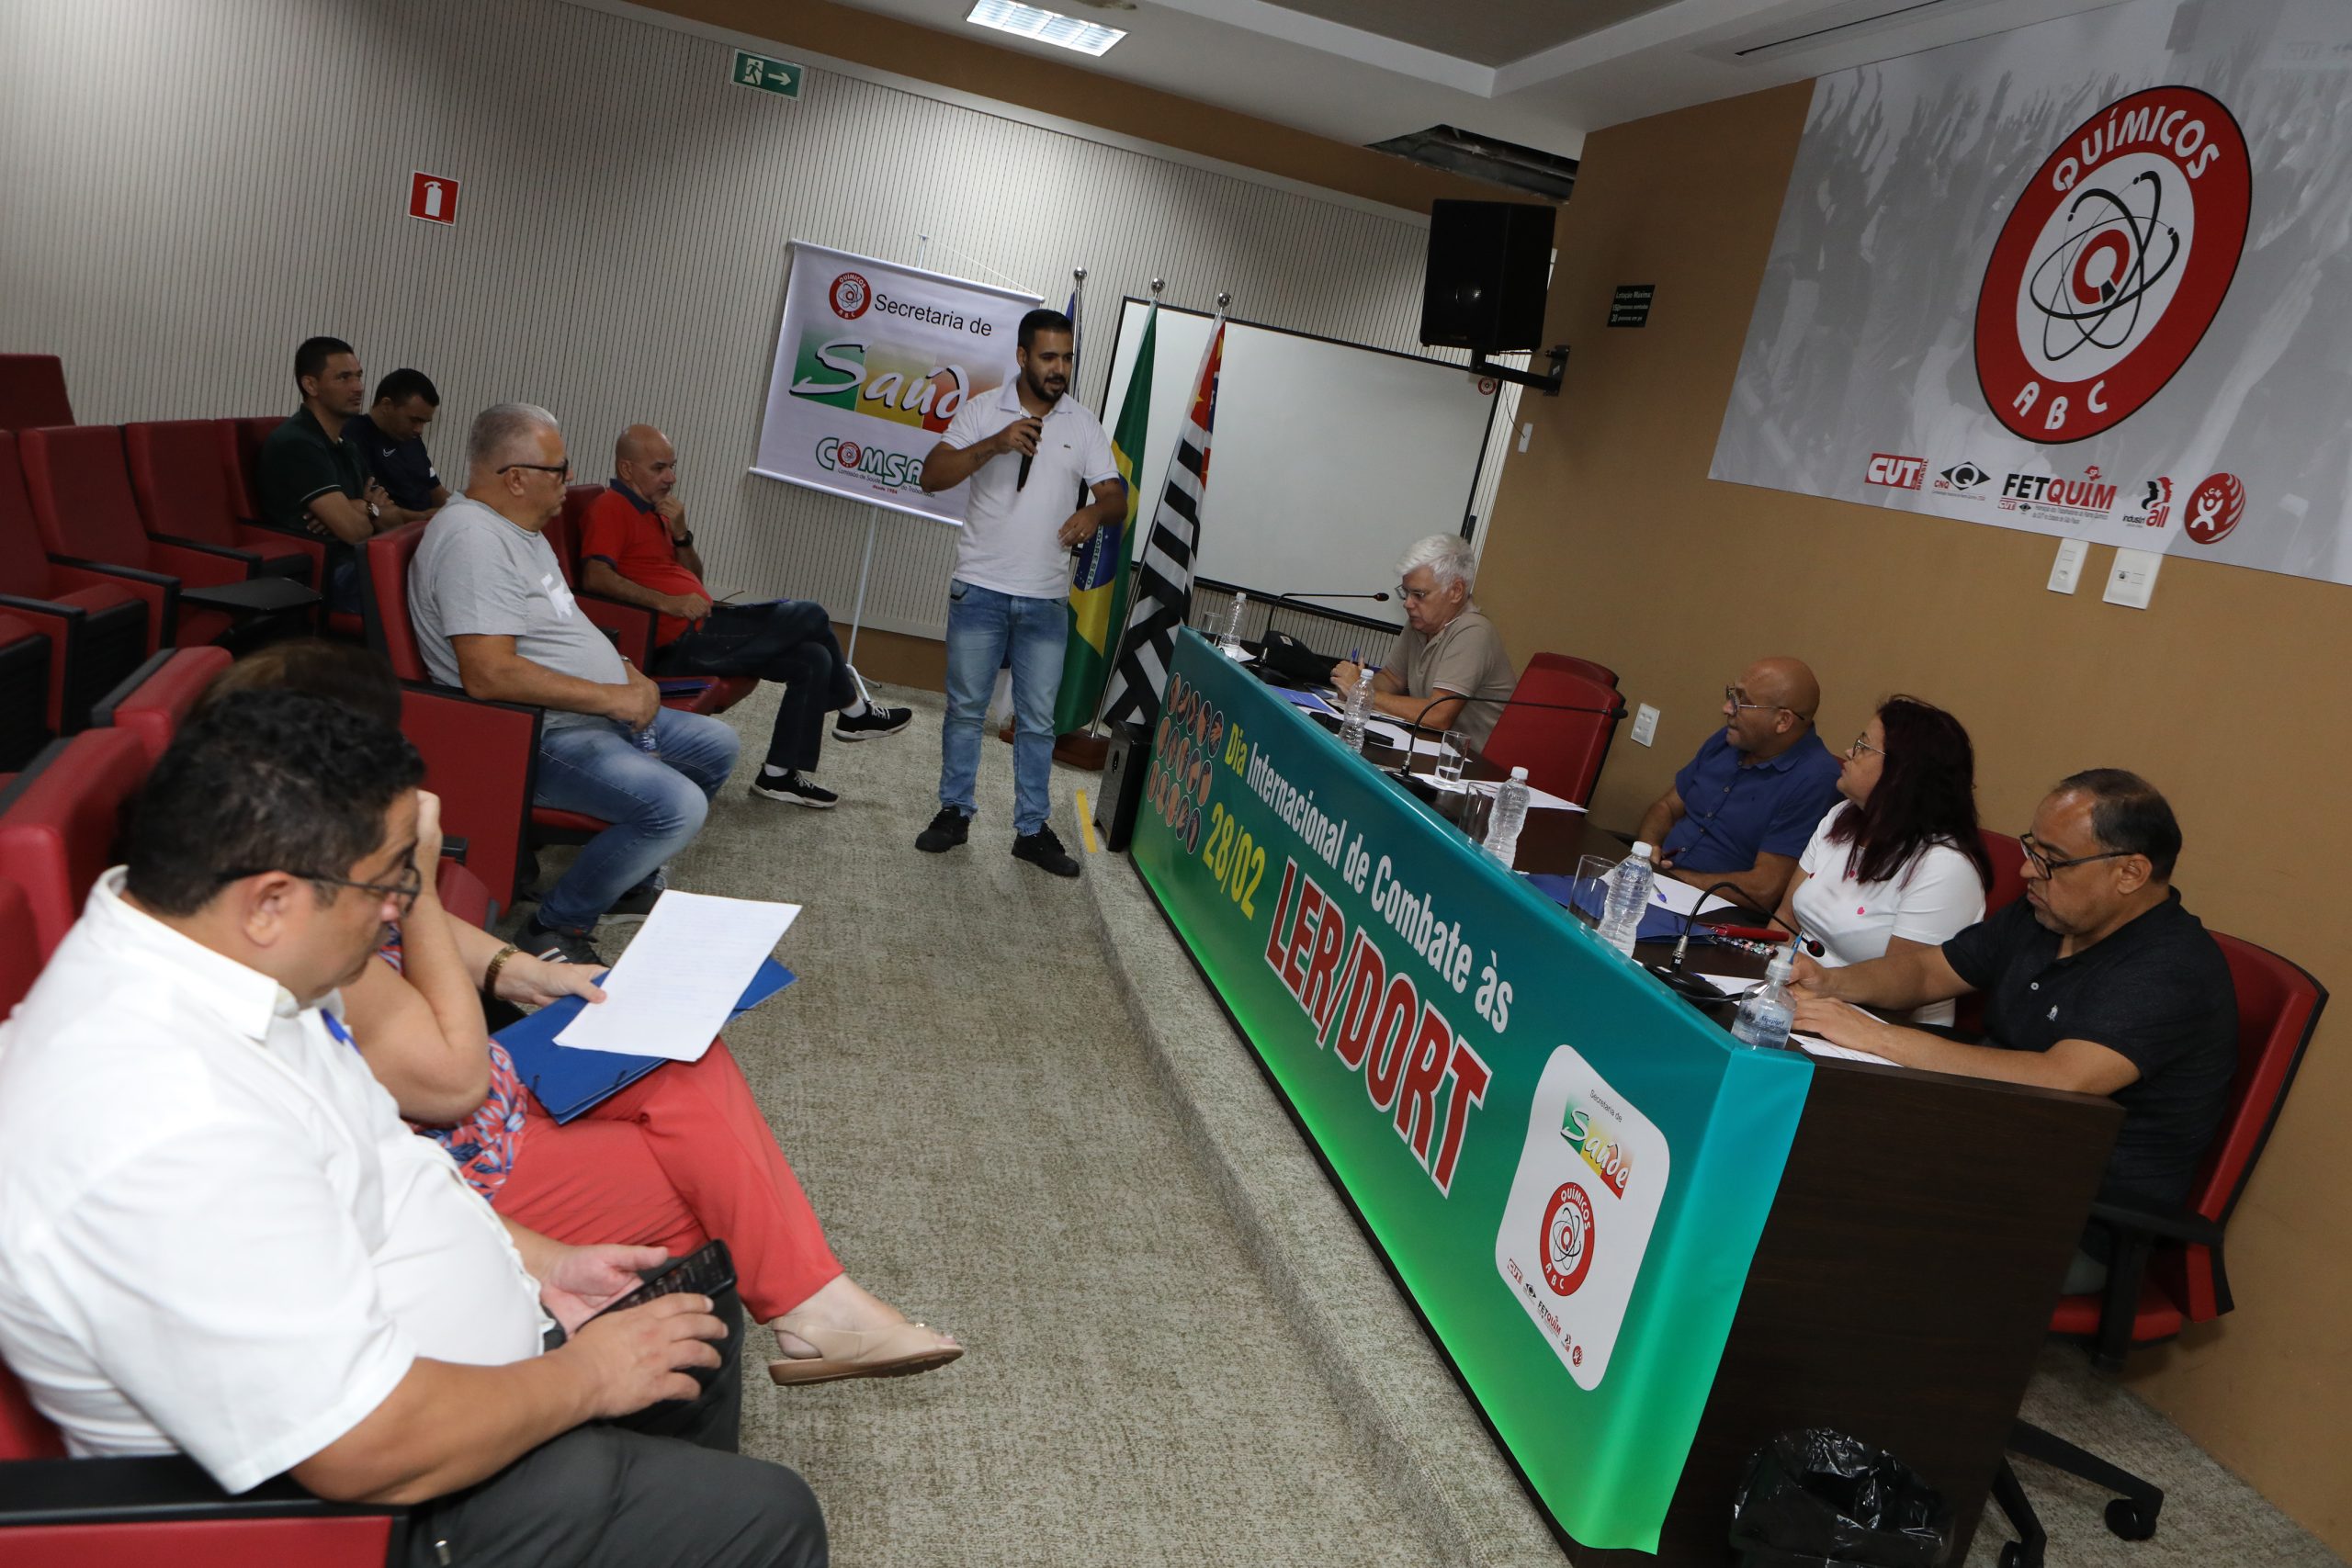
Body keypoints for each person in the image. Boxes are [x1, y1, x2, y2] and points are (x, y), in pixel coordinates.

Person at [0, 689, 826, 1568]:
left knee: (694, 1316)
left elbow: (384, 1161)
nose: (403, 907)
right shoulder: (154, 1119)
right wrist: (586, 1378)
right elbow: (361, 1448)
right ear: (271, 900)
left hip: (456, 1375)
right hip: (379, 1505)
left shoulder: (231, 963)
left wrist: (540, 1263)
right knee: (762, 1517)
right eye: (394, 879)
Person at [202, 640, 963, 1387]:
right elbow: (454, 1081)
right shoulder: (303, 925)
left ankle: (816, 1304)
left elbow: (427, 955)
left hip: (493, 1098)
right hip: (464, 1167)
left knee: (684, 1056)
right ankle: (812, 1305)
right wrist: (421, 884)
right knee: (716, 1202)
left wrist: (517, 968)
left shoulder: (297, 853)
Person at [1789, 769, 2238, 1293]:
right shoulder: (2046, 915)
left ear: (2131, 873)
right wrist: (1831, 983)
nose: (2027, 870)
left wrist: (1875, 1036)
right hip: (1978, 1152)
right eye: (2032, 848)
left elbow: (2060, 1078)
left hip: (2068, 1218)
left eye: (2051, 860)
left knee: (1828, 1223)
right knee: (1805, 1160)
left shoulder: (2169, 969)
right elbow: (1929, 971)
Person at [409, 402, 740, 965]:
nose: (569, 481)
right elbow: (488, 674)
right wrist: (613, 696)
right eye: (558, 470)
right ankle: (556, 926)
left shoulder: (521, 529)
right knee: (676, 806)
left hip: (588, 711)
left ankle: (625, 878)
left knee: (718, 747)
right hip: (536, 732)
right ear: (515, 477)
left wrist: (623, 671)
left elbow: (565, 622)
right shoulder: (474, 542)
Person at [579, 424, 910, 810]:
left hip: (704, 625)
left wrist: (682, 535)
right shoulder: (609, 508)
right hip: (677, 642)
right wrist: (667, 604)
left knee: (813, 659)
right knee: (811, 614)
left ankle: (779, 775)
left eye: (672, 467)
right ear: (627, 469)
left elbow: (694, 578)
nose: (671, 477)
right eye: (659, 468)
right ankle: (853, 711)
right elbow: (594, 577)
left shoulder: (656, 512)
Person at [915, 308, 1125, 878]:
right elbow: (931, 477)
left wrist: (1092, 511)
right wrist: (996, 443)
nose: (1060, 369)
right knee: (964, 710)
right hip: (980, 588)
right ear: (1023, 357)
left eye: (1068, 358)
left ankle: (1030, 830)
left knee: (1037, 722)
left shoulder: (1082, 424)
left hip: (1045, 599)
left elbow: (1116, 498)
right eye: (1049, 357)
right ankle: (954, 813)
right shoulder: (984, 410)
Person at [1770, 696, 1992, 1025]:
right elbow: (1785, 921)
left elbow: (1901, 994)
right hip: (1800, 1000)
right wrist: (1772, 989)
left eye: (1863, 746)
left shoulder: (1945, 868)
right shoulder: (1842, 816)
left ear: (1902, 772)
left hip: (1879, 1028)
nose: (1848, 751)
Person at [1632, 657, 1842, 909]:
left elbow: (1765, 888)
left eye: (1743, 702)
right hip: (1656, 886)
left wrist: (1674, 880)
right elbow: (1666, 806)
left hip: (1714, 915)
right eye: (1732, 695)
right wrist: (1647, 850)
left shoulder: (1815, 779)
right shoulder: (1730, 739)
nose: (1727, 708)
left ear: (1783, 721)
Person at [1327, 534, 1514, 750]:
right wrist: (1357, 686)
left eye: (1419, 594)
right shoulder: (1422, 624)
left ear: (1455, 591)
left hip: (1471, 768)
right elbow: (1392, 679)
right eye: (1405, 593)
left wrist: (1363, 694)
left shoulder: (1473, 631)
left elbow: (1437, 715)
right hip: (1428, 749)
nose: (1408, 604)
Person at [254, 335, 398, 615]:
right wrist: (368, 508)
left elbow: (392, 521)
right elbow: (355, 531)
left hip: (356, 562)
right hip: (326, 573)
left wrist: (358, 508)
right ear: (311, 385)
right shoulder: (298, 443)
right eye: (343, 378)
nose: (358, 387)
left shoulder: (347, 446)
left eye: (358, 376)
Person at [345, 367, 452, 519]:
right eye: (414, 420)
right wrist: (424, 516)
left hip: (422, 531)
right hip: (392, 537)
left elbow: (436, 490)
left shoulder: (412, 439)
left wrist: (466, 510)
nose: (419, 430)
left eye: (424, 423)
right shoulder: (353, 436)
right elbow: (380, 513)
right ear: (386, 405)